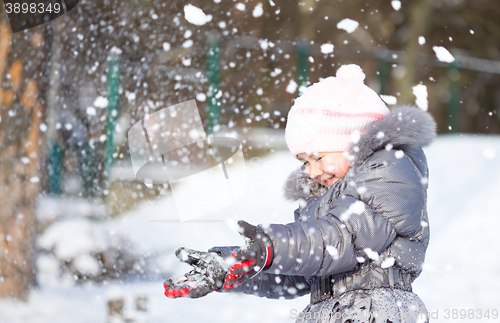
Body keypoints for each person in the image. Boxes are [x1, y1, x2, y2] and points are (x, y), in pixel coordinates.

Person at [164, 64, 436, 323]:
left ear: (358, 144)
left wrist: (271, 246)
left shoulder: (388, 175)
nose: (313, 171)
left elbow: (338, 239)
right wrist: (238, 264)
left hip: (377, 312)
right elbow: (299, 271)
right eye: (305, 162)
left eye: (319, 157)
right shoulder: (325, 200)